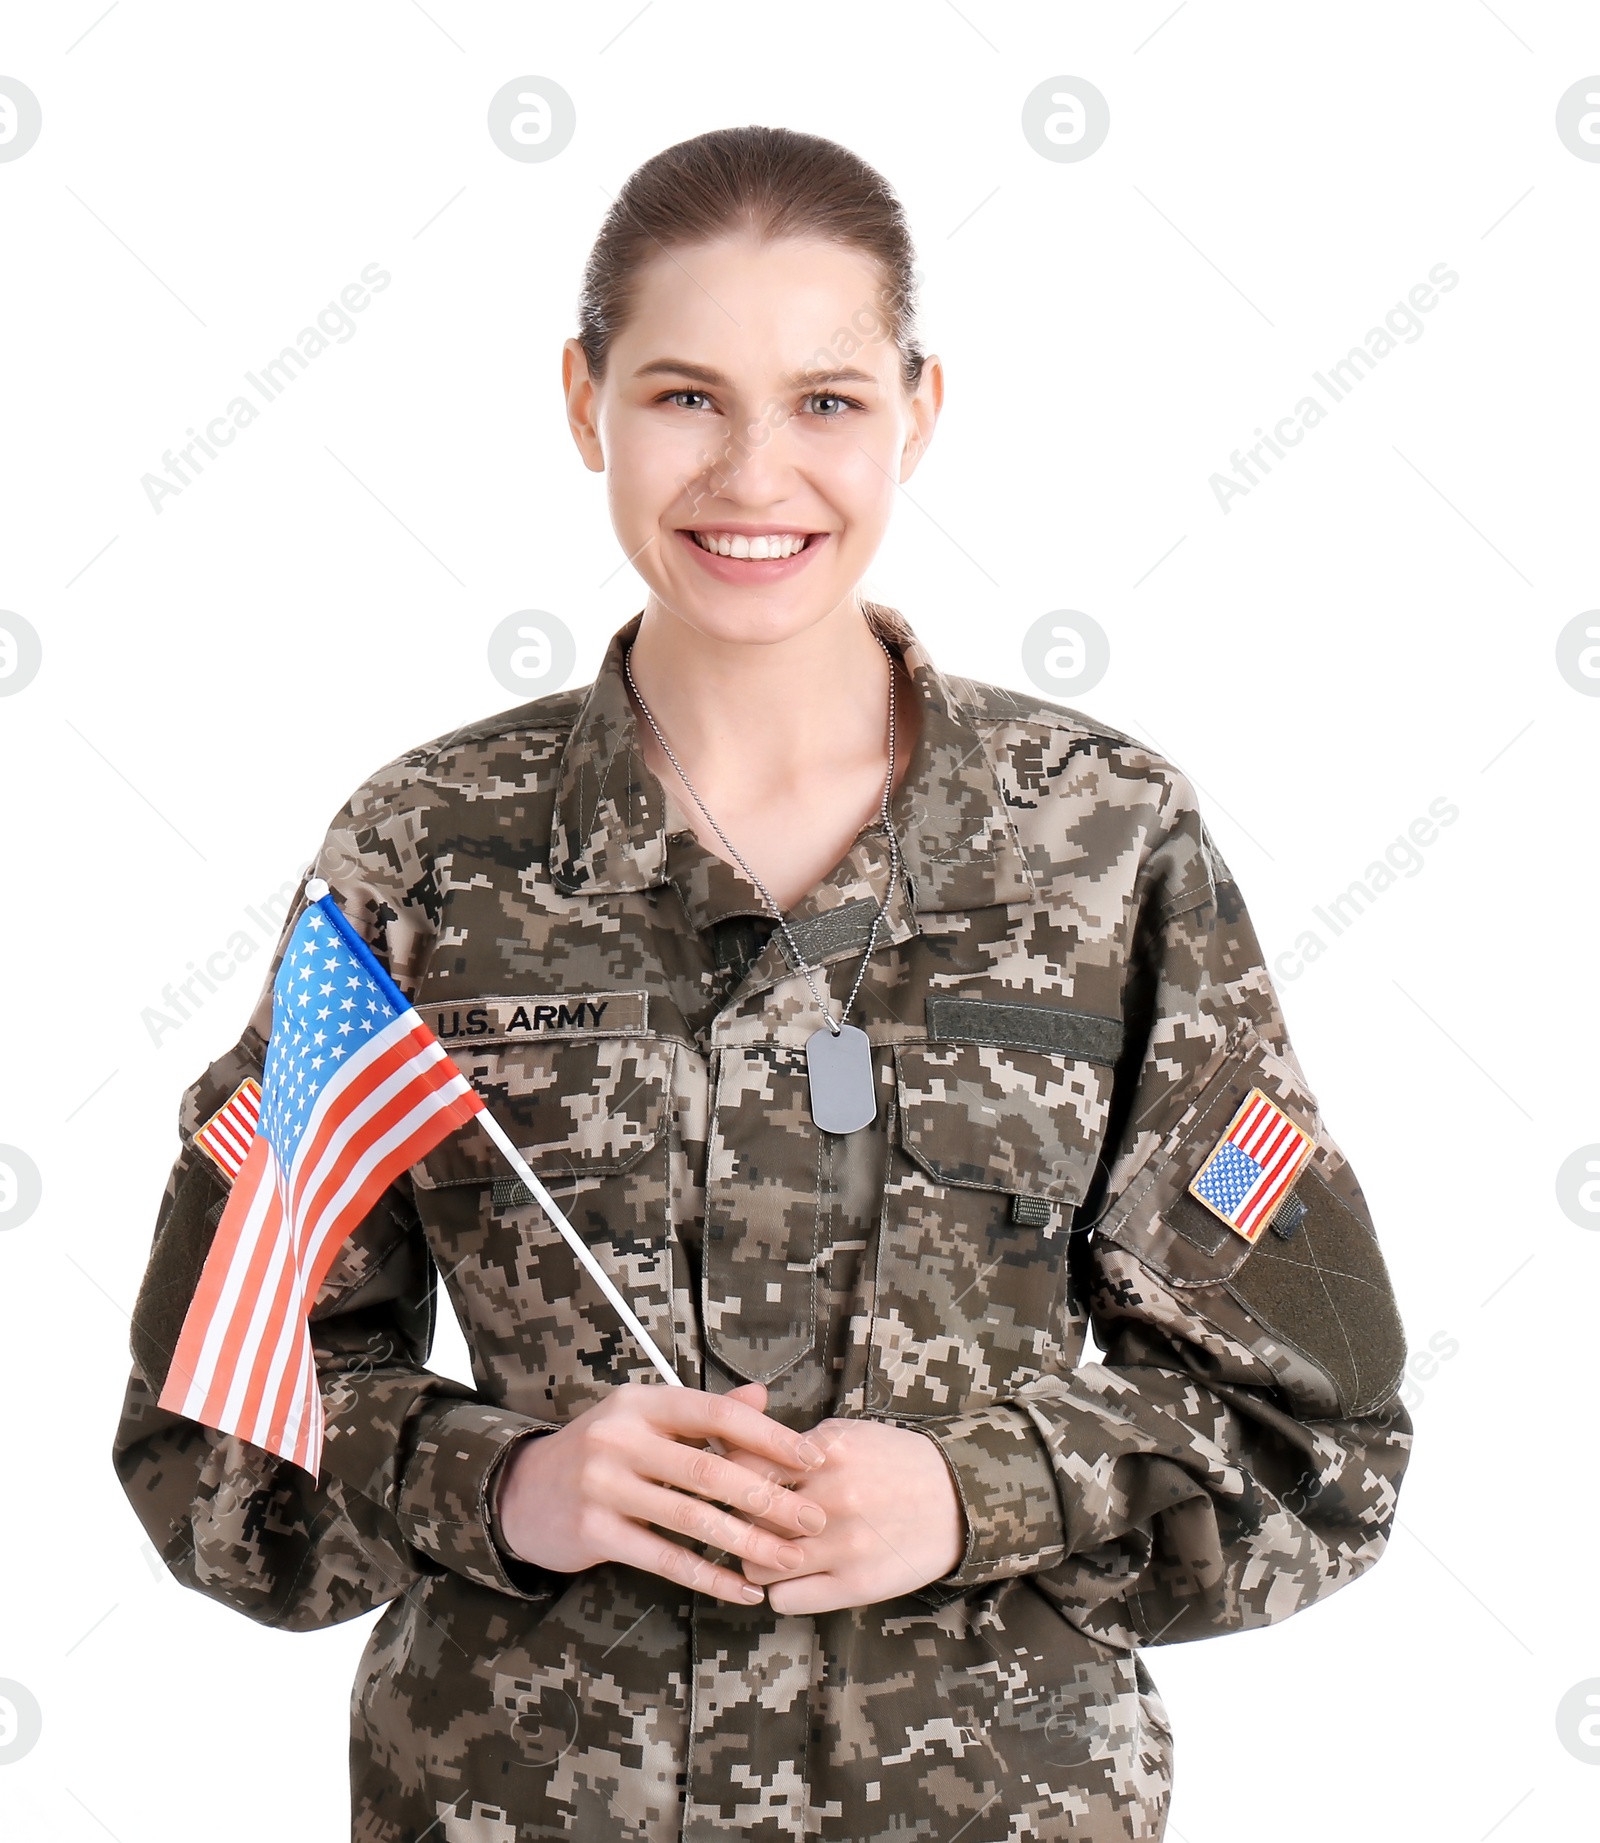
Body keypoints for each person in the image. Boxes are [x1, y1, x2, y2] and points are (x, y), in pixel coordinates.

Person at [112, 125, 1412, 1843]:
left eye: (824, 401)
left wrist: (974, 1492)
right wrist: (511, 1485)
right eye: (681, 396)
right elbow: (215, 1425)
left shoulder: (1104, 845)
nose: (752, 474)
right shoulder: (431, 851)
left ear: (918, 414)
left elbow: (1317, 1432)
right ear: (583, 402)